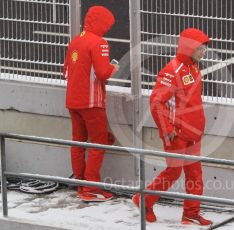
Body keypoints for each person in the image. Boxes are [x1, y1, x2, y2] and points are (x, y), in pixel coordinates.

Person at [132, 28, 213, 226]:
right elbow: (156, 102)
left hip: (193, 133)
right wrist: (167, 130)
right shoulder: (172, 70)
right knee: (173, 173)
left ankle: (191, 214)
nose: (204, 53)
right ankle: (143, 201)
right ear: (189, 48)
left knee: (195, 175)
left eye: (205, 49)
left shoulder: (194, 67)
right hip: (176, 135)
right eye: (200, 48)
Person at [63, 6, 119, 202]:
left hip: (72, 101)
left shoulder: (75, 40)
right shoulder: (100, 43)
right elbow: (104, 73)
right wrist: (115, 68)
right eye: (107, 25)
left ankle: (80, 185)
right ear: (101, 23)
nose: (108, 29)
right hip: (92, 103)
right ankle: (91, 188)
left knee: (77, 144)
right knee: (98, 143)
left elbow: (66, 72)